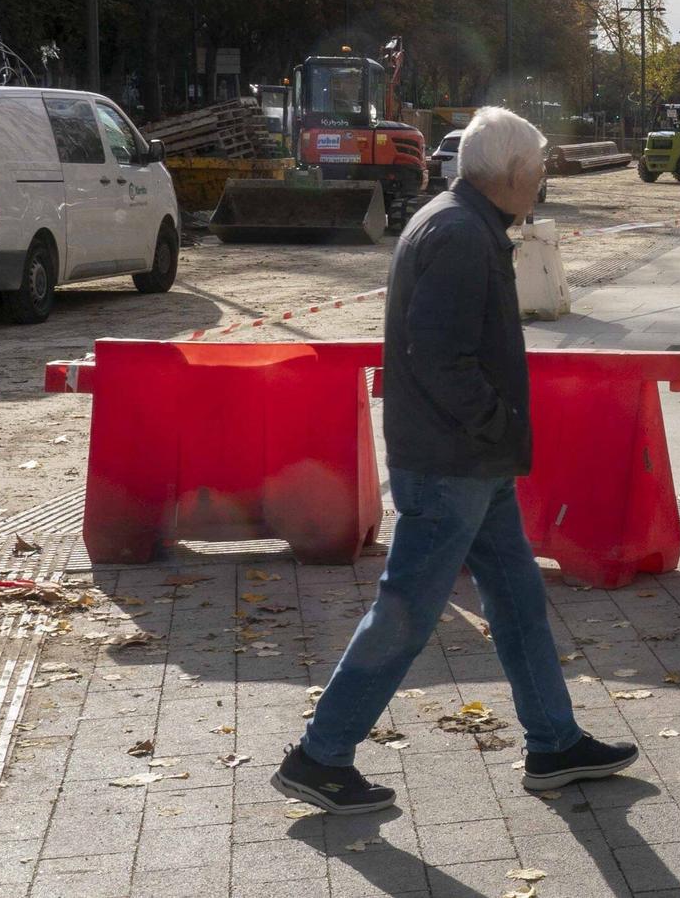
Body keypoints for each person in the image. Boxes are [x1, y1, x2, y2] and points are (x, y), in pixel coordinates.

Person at [273, 108, 638, 815]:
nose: (540, 182)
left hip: (469, 459)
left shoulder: (461, 220)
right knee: (406, 611)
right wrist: (494, 422)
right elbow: (437, 355)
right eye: (535, 171)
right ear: (508, 174)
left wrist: (491, 434)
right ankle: (320, 755)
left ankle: (554, 743)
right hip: (454, 461)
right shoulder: (462, 234)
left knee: (518, 599)